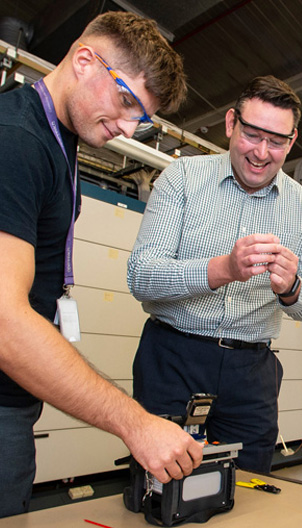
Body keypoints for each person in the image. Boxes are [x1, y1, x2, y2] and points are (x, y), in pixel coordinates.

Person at [0, 12, 203, 518]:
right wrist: (135, 424)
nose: (130, 127)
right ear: (85, 60)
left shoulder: (56, 142)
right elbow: (4, 321)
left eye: (143, 117)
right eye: (127, 100)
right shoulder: (17, 139)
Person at [127, 75, 302, 473]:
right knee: (160, 489)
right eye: (252, 134)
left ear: (292, 142)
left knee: (247, 489)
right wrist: (223, 269)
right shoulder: (182, 177)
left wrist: (292, 288)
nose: (261, 152)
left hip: (250, 371)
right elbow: (141, 276)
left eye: (276, 141)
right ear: (229, 124)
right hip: (172, 357)